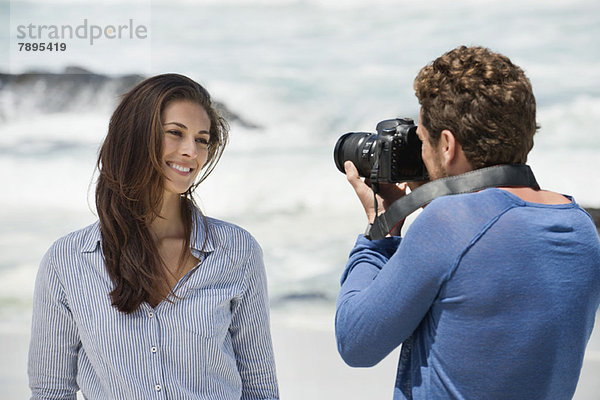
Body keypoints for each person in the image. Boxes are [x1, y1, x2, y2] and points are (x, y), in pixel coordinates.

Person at [335, 46, 600, 399]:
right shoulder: (580, 228)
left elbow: (356, 341)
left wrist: (380, 229)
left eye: (423, 140)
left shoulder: (449, 223)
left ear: (447, 145)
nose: (422, 152)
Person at [28, 74, 279, 399]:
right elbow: (51, 391)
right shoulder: (68, 261)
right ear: (135, 137)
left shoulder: (236, 252)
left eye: (201, 139)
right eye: (175, 133)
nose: (191, 151)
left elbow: (259, 389)